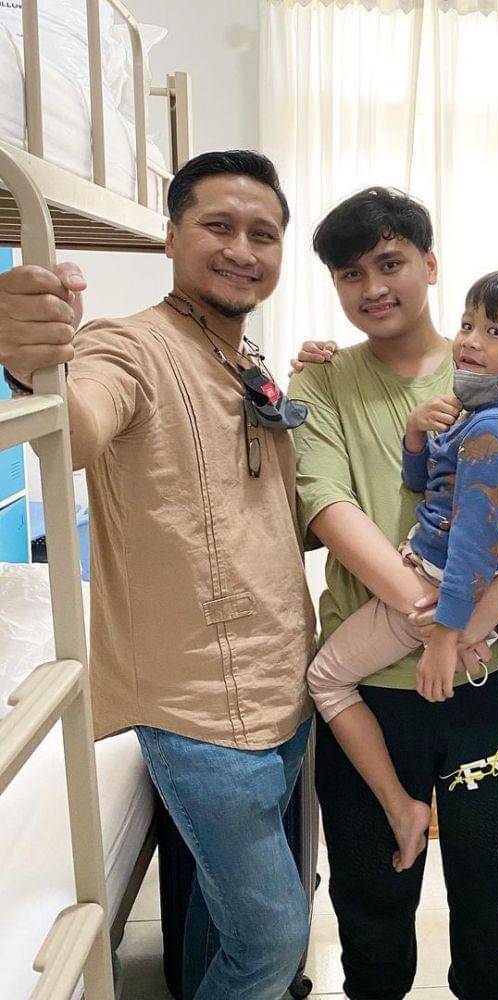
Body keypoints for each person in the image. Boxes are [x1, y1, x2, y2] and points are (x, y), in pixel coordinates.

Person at [0, 150, 316, 1000]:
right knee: (274, 939)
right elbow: (75, 423)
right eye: (219, 226)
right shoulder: (128, 345)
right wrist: (30, 366)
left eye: (263, 234)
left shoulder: (246, 360)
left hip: (282, 684)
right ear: (170, 237)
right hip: (198, 709)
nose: (242, 249)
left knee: (222, 919)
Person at [289, 187, 498, 1000]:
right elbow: (327, 503)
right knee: (371, 913)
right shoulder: (320, 382)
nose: (373, 288)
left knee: (491, 907)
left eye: (389, 264)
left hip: (486, 682)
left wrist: (466, 627)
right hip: (375, 691)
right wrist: (436, 624)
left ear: (429, 263)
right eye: (350, 274)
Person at [306, 267, 498, 873]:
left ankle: (402, 809)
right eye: (468, 324)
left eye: (494, 331)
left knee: (326, 680)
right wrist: (415, 434)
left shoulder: (490, 435)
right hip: (459, 581)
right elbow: (429, 487)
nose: (470, 341)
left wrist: (445, 637)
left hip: (437, 584)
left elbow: (473, 547)